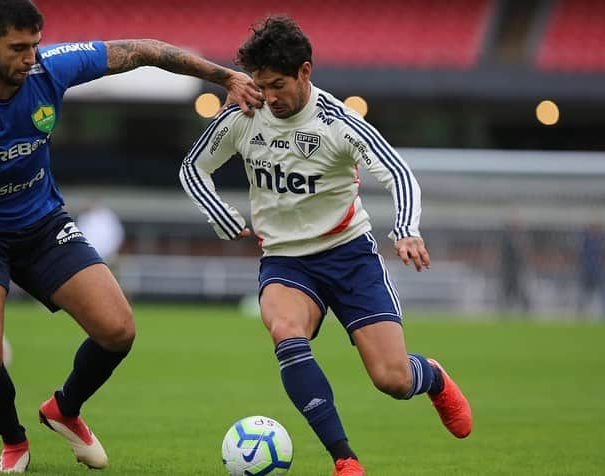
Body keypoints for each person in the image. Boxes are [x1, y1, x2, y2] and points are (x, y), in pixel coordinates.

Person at [0, 0, 262, 472]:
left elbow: (145, 51)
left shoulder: (49, 68)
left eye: (34, 46)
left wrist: (222, 76)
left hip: (42, 225)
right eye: (18, 48)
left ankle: (64, 408)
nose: (29, 58)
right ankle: (14, 443)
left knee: (118, 330)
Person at [180, 16, 472, 476]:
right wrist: (224, 218)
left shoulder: (336, 121)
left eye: (277, 84)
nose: (268, 96)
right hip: (285, 260)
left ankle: (431, 376)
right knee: (285, 333)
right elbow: (193, 169)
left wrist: (406, 230)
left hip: (349, 255)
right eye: (260, 85)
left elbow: (398, 173)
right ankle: (345, 459)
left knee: (391, 380)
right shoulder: (244, 115)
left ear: (305, 72)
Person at [577, 222, 605, 319]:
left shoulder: (602, 240)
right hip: (587, 271)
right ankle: (581, 314)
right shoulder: (586, 240)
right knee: (584, 294)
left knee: (604, 294)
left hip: (599, 271)